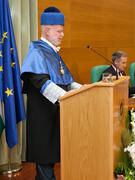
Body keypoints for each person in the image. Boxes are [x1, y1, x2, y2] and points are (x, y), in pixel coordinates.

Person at [20, 7, 82, 180]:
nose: (62, 35)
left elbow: (67, 82)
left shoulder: (53, 52)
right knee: (45, 163)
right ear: (46, 30)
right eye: (59, 31)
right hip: (42, 118)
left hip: (54, 115)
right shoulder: (37, 52)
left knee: (48, 164)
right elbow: (42, 83)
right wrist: (67, 98)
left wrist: (85, 90)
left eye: (62, 31)